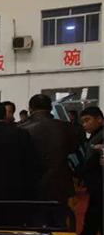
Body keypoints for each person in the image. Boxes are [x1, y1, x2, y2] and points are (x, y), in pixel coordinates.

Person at [21, 94, 79, 225]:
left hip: (33, 184)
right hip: (60, 182)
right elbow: (73, 148)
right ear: (50, 108)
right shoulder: (66, 127)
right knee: (60, 223)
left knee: (36, 224)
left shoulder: (21, 129)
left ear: (30, 109)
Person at [76, 106, 103, 235]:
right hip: (96, 186)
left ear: (99, 119)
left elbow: (91, 163)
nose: (85, 125)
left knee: (93, 219)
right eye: (83, 122)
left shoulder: (100, 137)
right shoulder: (95, 136)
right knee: (93, 219)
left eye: (87, 120)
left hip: (99, 185)